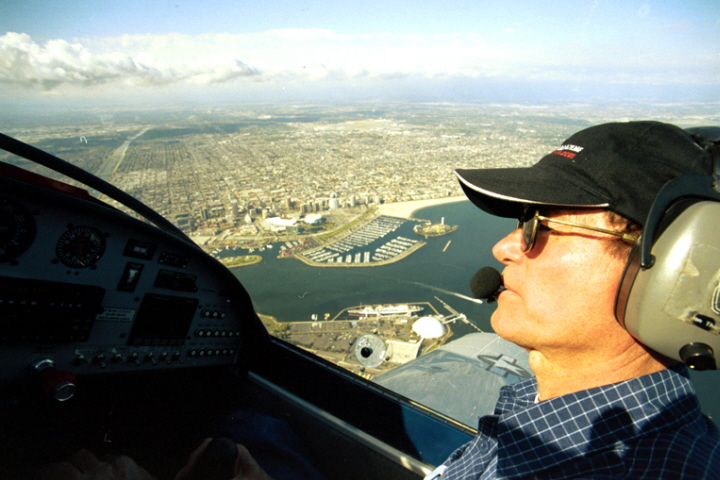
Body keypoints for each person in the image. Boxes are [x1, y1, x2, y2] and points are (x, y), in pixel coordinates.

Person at [424, 120, 720, 479]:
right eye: (523, 220)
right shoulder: (540, 418)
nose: (502, 247)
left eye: (541, 226)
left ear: (666, 267)